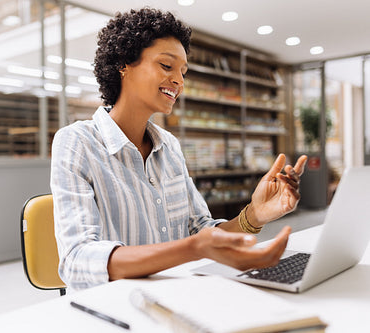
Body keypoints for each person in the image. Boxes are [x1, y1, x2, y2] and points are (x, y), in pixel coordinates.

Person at [50, 7, 307, 290]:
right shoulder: (77, 143)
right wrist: (193, 248)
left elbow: (201, 231)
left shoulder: (169, 146)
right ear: (124, 63)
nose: (179, 81)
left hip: (174, 294)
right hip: (113, 306)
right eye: (166, 66)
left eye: (183, 72)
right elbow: (77, 259)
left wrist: (255, 214)